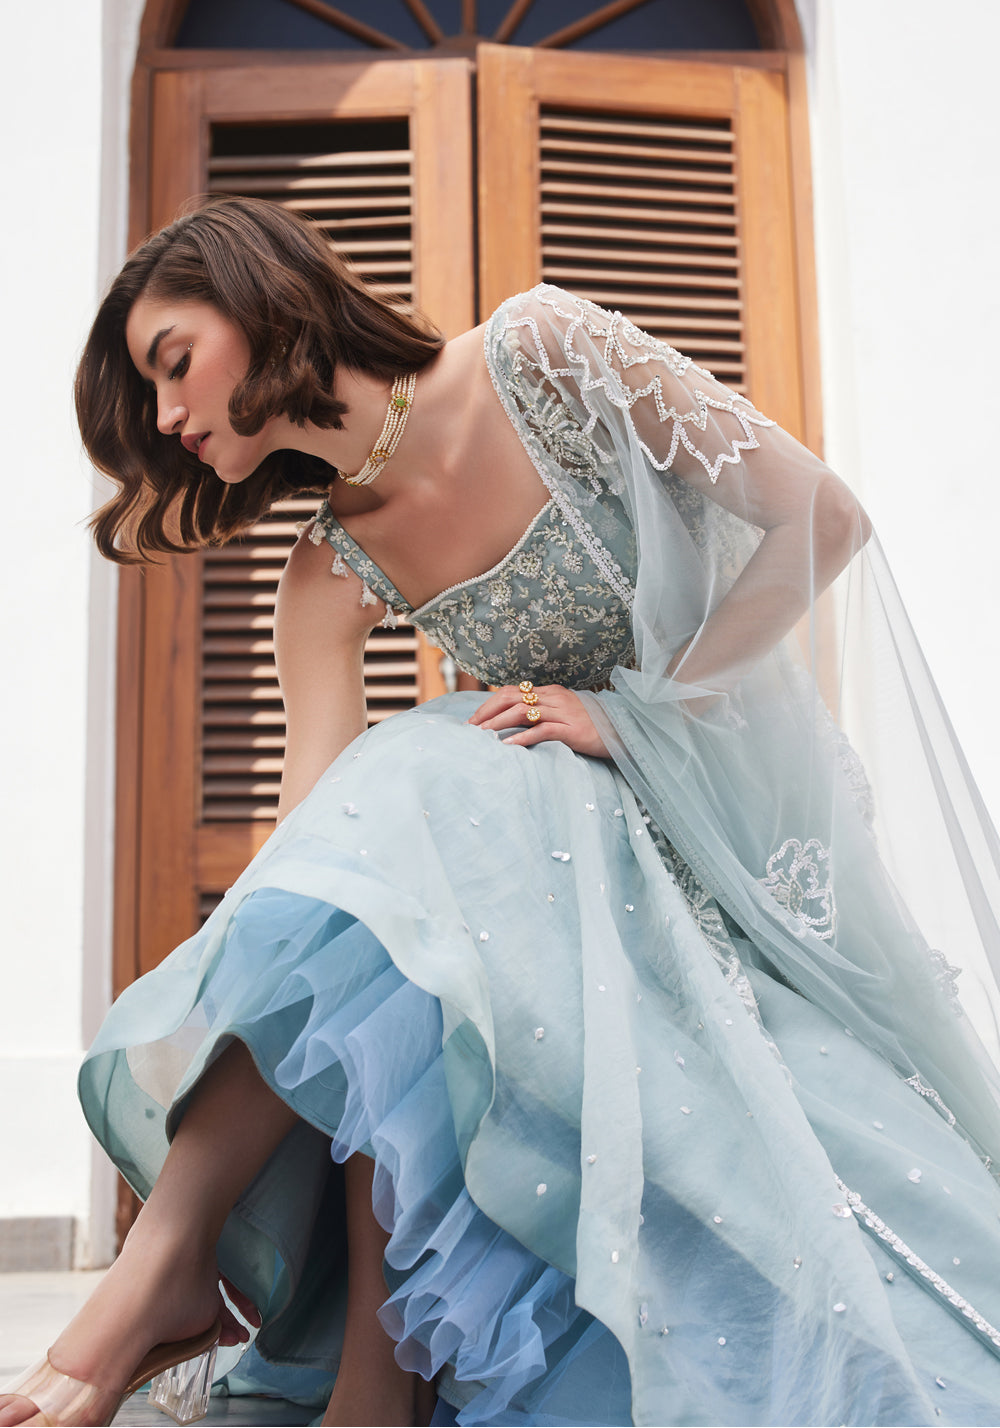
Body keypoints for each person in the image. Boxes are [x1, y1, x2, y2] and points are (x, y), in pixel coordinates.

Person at [5, 194, 1000, 1428]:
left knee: (430, 767)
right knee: (399, 868)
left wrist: (639, 717)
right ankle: (248, 1309)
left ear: (259, 295)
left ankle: (199, 1292)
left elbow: (821, 519)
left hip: (716, 816)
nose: (165, 418)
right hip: (550, 884)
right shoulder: (325, 572)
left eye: (173, 362)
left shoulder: (540, 353)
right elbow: (315, 851)